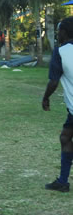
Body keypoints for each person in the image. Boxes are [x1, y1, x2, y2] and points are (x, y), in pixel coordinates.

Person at [43, 17, 73, 192]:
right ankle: (62, 182)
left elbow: (53, 81)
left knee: (66, 137)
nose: (57, 34)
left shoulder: (61, 52)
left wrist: (45, 98)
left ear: (65, 32)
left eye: (59, 30)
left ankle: (63, 181)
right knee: (65, 137)